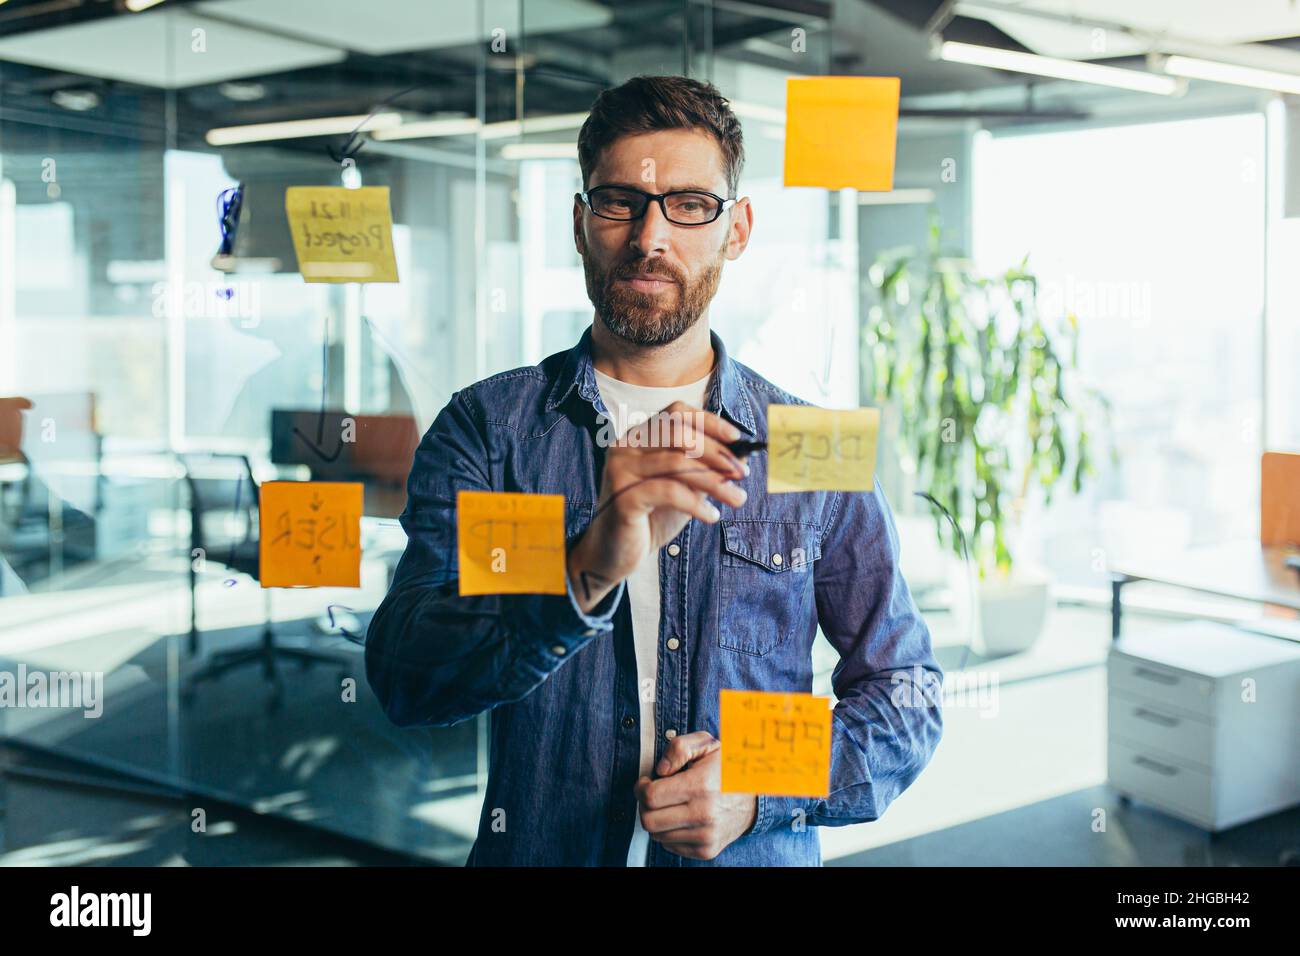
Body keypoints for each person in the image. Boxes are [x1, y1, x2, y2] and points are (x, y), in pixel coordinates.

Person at [365, 74, 943, 866]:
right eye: (619, 203)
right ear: (579, 221)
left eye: (690, 204)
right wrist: (581, 570)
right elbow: (408, 676)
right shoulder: (493, 432)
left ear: (736, 229)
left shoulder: (810, 443)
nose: (650, 237)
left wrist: (755, 787)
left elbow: (905, 694)